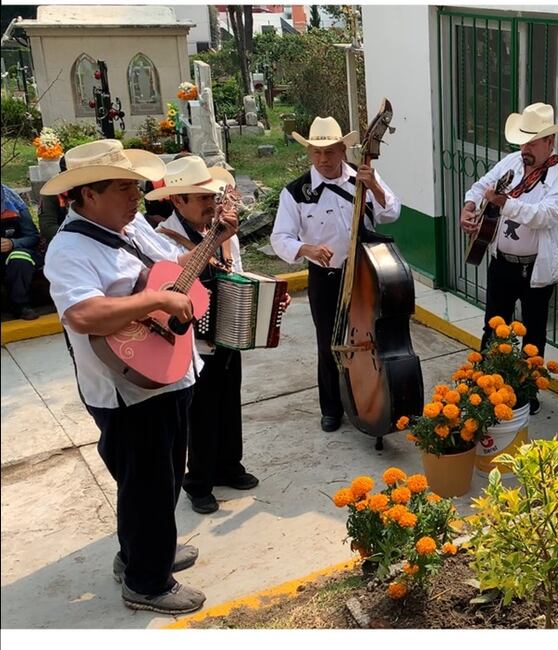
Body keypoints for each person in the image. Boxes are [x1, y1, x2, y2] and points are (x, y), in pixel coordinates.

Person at [42, 139, 238, 614]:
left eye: (136, 185)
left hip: (167, 374)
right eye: (125, 187)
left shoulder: (133, 230)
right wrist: (154, 301)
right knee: (146, 482)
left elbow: (177, 269)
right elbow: (84, 313)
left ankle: (140, 554)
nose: (138, 195)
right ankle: (148, 584)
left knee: (164, 476)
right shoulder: (69, 248)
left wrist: (215, 236)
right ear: (87, 194)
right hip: (127, 389)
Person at [148, 156, 285, 514]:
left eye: (211, 197)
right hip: (190, 343)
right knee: (201, 415)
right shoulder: (164, 240)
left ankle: (229, 466)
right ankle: (199, 482)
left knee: (229, 405)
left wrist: (259, 301)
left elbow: (235, 275)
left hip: (226, 336)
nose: (210, 204)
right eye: (201, 198)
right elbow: (175, 285)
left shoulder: (224, 233)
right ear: (177, 201)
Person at [270, 116, 401, 432]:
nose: (323, 159)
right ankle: (331, 407)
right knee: (329, 343)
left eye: (329, 151)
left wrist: (375, 189)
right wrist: (307, 250)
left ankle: (372, 397)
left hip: (366, 274)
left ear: (343, 149)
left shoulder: (363, 176)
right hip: (325, 278)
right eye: (316, 152)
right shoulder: (295, 192)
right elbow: (280, 238)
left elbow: (392, 211)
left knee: (372, 339)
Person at [459, 103, 558, 415]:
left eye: (532, 142)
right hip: (502, 262)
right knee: (492, 326)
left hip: (535, 270)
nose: (524, 148)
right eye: (522, 141)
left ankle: (527, 391)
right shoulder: (512, 161)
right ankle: (484, 384)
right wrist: (469, 207)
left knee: (533, 333)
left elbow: (546, 215)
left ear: (549, 142)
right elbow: (481, 185)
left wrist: (505, 203)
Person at [2, 183, 40, 320]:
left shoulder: (14, 202)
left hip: (13, 254)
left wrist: (13, 243)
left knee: (20, 257)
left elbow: (33, 236)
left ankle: (21, 306)